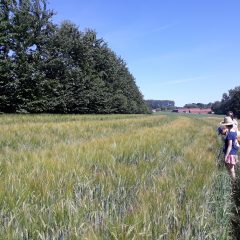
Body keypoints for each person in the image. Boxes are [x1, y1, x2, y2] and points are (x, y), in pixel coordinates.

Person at [220, 116, 239, 182]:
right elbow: (235, 143)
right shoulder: (234, 132)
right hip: (234, 153)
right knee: (232, 169)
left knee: (231, 170)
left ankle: (234, 183)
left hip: (230, 154)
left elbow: (230, 146)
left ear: (227, 125)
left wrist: (226, 156)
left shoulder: (230, 134)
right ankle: (233, 182)